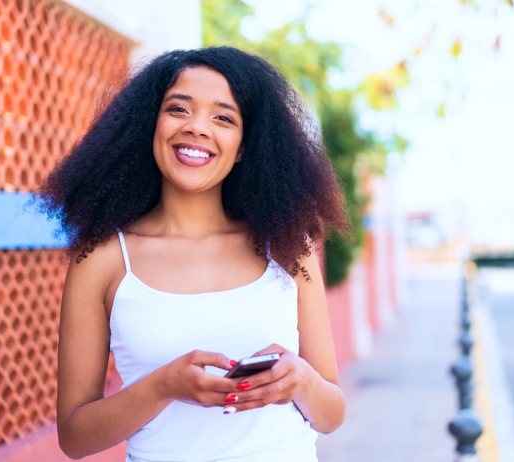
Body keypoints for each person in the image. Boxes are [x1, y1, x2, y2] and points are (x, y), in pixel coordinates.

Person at [36, 46, 350, 462]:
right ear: (151, 125)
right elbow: (75, 438)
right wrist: (163, 386)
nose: (198, 127)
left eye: (223, 117)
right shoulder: (103, 258)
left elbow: (331, 415)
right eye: (179, 109)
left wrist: (303, 382)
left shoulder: (288, 248)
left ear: (243, 147)